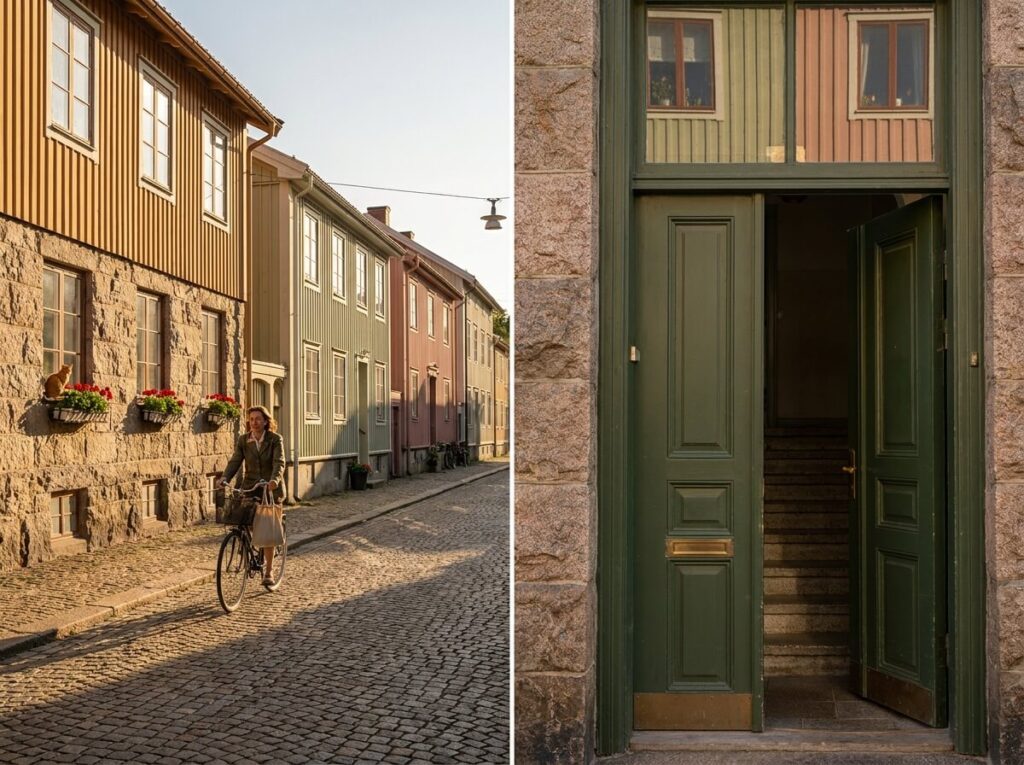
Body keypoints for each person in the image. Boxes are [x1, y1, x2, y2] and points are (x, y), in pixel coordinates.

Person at [219, 405, 286, 586]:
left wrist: (274, 481)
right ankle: (248, 543)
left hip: (269, 489)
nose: (254, 422)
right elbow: (235, 460)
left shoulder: (274, 440)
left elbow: (279, 462)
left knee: (266, 530)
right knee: (243, 520)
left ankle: (269, 572)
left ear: (265, 421)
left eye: (258, 419)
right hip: (249, 486)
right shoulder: (244, 440)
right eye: (251, 419)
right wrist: (225, 477)